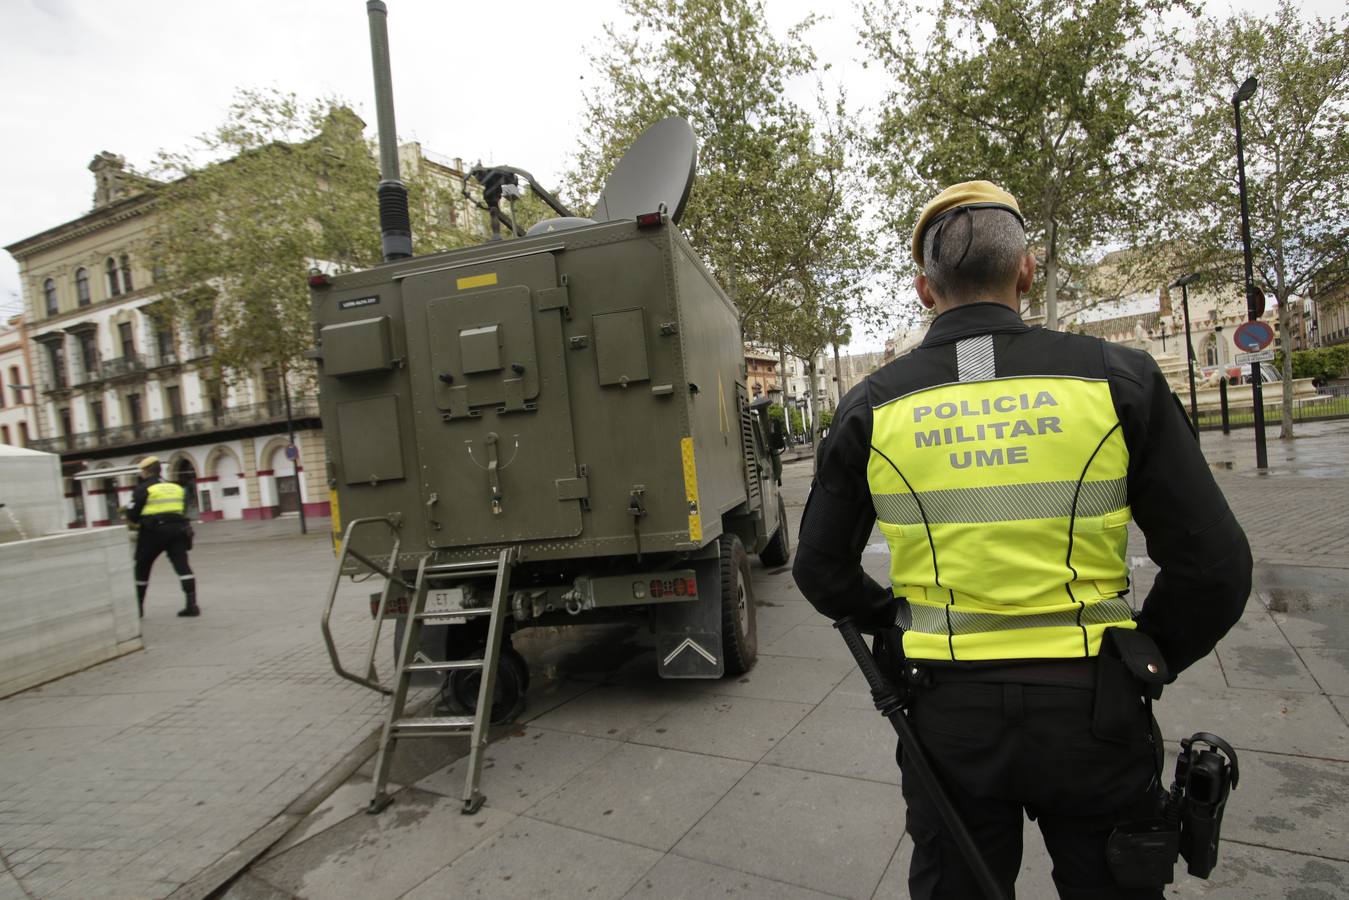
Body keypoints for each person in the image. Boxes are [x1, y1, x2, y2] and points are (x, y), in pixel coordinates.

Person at [792, 181, 1251, 899]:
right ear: (1026, 270)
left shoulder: (873, 405)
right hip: (1094, 706)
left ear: (923, 289)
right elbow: (1215, 567)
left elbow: (820, 570)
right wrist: (1146, 653)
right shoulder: (1115, 379)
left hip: (947, 716)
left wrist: (895, 623)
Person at [127, 456, 199, 618]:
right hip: (179, 529)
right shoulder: (176, 487)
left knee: (142, 566)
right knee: (182, 565)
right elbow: (184, 508)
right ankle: (191, 605)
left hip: (153, 532)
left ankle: (139, 608)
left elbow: (132, 514)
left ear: (145, 471)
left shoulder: (144, 488)